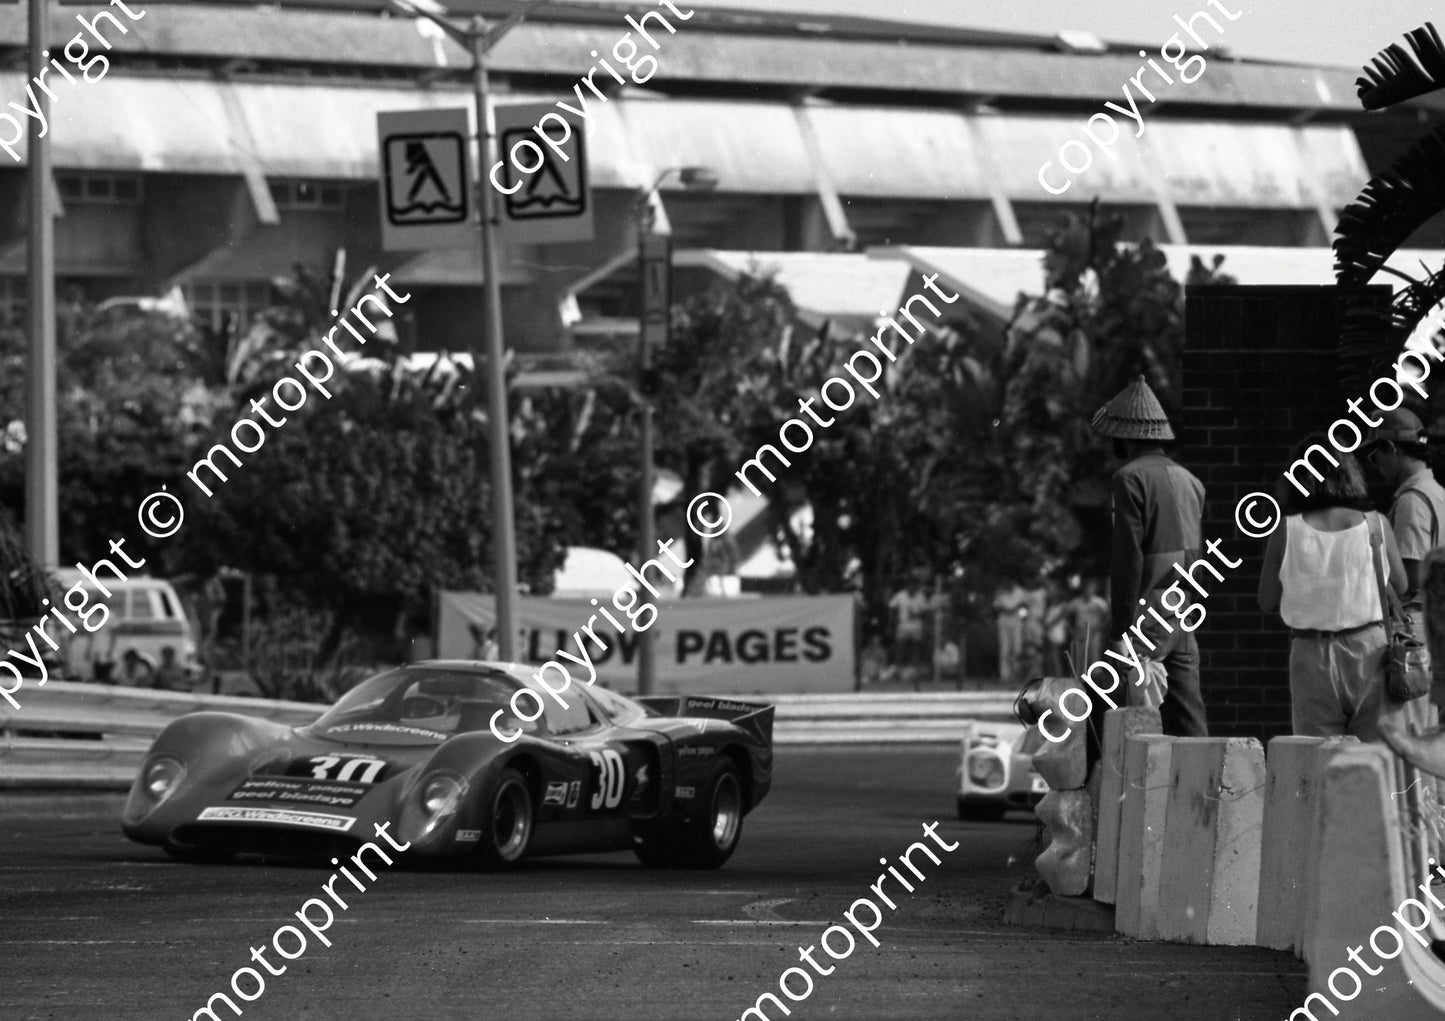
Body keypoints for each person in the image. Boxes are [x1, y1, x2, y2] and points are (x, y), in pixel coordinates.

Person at [1258, 437, 1413, 741]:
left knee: (1317, 760)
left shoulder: (1285, 531)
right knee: (1377, 756)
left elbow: (1267, 600)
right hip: (1370, 650)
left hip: (1310, 653)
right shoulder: (1375, 524)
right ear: (1348, 474)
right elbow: (1402, 585)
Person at [1091, 375, 1210, 737]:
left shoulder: (1129, 479)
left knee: (1118, 706)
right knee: (1189, 714)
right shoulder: (1191, 481)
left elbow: (1128, 561)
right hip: (1183, 608)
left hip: (1149, 613)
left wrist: (1121, 630)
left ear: (1127, 435)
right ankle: (1212, 787)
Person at [888, 575, 930, 687]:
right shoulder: (900, 595)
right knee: (900, 649)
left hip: (917, 627)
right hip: (903, 626)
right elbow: (892, 607)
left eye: (915, 585)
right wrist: (893, 622)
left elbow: (925, 612)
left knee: (915, 650)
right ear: (907, 586)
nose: (913, 587)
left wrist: (917, 615)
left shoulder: (920, 596)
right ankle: (897, 671)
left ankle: (915, 673)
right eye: (911, 585)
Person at [993, 583, 1028, 686]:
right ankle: (1005, 676)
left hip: (1017, 623)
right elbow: (996, 606)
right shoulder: (1000, 592)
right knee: (1005, 650)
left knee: (1017, 649)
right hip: (1003, 623)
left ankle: (1017, 675)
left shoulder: (1020, 591)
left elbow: (1025, 606)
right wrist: (1006, 609)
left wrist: (1018, 611)